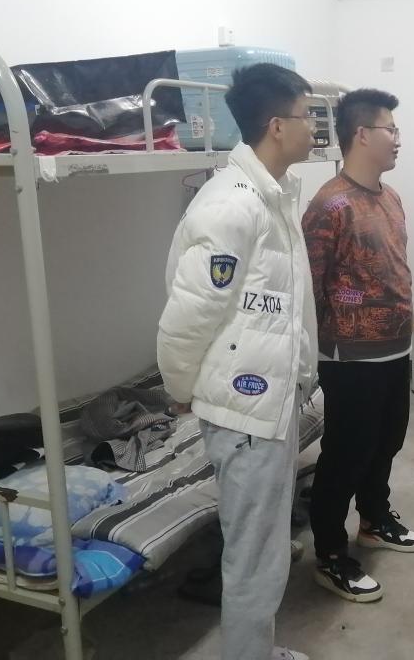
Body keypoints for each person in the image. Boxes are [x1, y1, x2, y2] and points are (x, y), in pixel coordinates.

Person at [157, 63, 317, 660]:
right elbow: (187, 316)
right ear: (277, 126)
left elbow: (280, 307)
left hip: (271, 399)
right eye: (307, 116)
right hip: (247, 411)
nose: (314, 128)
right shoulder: (232, 206)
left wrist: (303, 375)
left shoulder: (274, 196)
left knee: (264, 546)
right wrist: (179, 387)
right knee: (254, 555)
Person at [302, 88, 414, 603]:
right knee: (346, 455)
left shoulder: (390, 197)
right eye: (390, 129)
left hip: (395, 348)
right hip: (350, 357)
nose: (398, 139)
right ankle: (330, 555)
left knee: (387, 440)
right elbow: (311, 287)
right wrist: (333, 335)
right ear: (361, 134)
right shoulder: (329, 205)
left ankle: (374, 520)